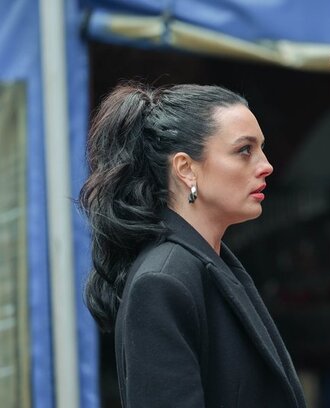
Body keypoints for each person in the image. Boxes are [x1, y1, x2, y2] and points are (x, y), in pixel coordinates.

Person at [79, 82, 306, 407]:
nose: (266, 165)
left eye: (261, 148)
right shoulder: (162, 281)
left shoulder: (209, 263)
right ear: (186, 168)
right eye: (245, 150)